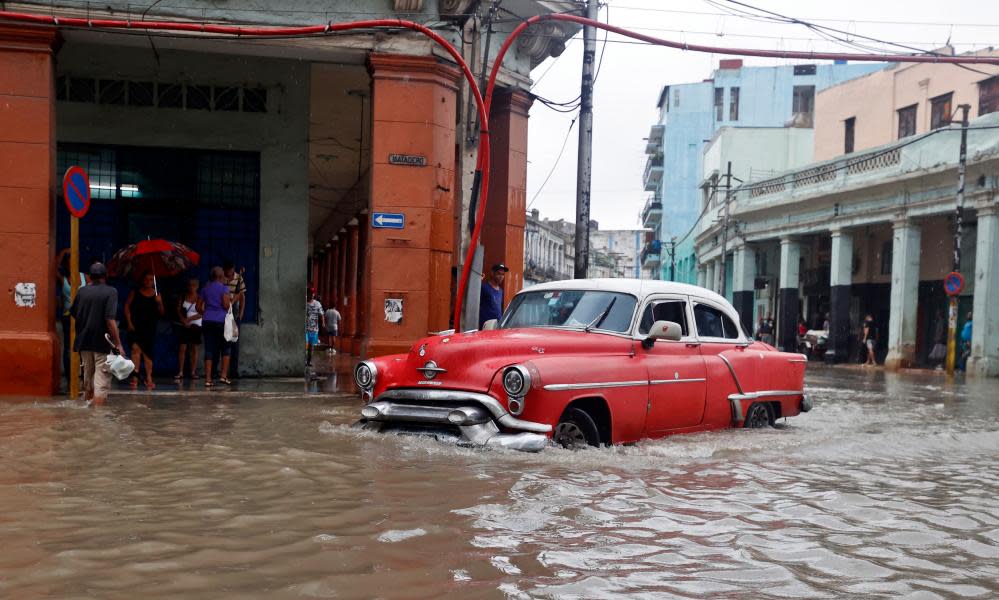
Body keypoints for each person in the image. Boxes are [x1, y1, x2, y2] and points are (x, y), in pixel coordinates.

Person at [70, 262, 124, 406]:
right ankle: (97, 422)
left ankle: (87, 421)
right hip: (102, 345)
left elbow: (74, 313)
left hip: (84, 343)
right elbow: (110, 320)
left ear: (90, 277)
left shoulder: (82, 291)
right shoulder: (111, 292)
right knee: (101, 387)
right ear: (105, 276)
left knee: (88, 385)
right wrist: (118, 343)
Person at [124, 271, 164, 389]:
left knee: (148, 353)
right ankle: (135, 378)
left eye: (151, 280)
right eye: (146, 279)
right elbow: (127, 307)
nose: (148, 282)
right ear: (142, 280)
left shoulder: (157, 294)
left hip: (149, 327)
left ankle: (149, 377)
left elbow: (162, 313)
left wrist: (160, 302)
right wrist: (129, 322)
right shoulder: (135, 292)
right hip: (136, 326)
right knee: (136, 350)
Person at [200, 266, 232, 387]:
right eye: (223, 274)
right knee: (226, 347)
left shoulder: (205, 289)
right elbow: (226, 305)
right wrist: (230, 302)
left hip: (207, 321)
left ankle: (208, 379)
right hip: (221, 321)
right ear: (219, 276)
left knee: (209, 349)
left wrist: (207, 313)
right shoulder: (224, 289)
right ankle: (223, 376)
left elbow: (198, 306)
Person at [175, 278, 203, 380]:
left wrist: (189, 319)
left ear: (197, 286)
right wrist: (183, 320)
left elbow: (201, 313)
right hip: (183, 326)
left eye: (194, 285)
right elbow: (178, 310)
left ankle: (193, 371)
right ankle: (181, 371)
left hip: (196, 326)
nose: (192, 287)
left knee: (194, 349)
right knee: (182, 348)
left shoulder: (200, 298)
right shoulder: (182, 297)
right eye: (190, 285)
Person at [223, 261, 246, 378]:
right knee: (223, 342)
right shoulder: (221, 278)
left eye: (230, 271)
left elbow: (242, 296)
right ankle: (221, 371)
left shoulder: (239, 278)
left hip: (235, 313)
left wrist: (241, 314)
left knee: (234, 343)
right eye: (227, 271)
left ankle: (233, 371)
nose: (229, 273)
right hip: (223, 312)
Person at [478, 263, 509, 328]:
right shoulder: (484, 288)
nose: (501, 276)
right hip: (486, 327)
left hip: (497, 326)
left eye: (503, 274)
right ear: (492, 273)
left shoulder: (501, 291)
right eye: (499, 274)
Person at [305, 289, 325, 367]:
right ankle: (304, 360)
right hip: (305, 328)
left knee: (311, 346)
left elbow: (321, 314)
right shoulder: (304, 302)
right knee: (305, 344)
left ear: (313, 294)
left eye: (312, 293)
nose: (310, 295)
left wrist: (323, 323)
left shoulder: (317, 304)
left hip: (314, 329)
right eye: (309, 293)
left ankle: (309, 361)